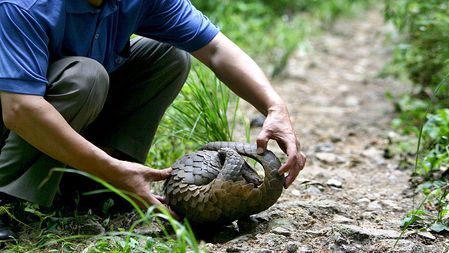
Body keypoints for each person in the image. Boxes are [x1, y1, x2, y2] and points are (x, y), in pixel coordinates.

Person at [0, 0, 307, 240]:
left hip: (65, 113)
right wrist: (112, 170)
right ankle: (6, 199)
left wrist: (273, 106)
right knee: (86, 77)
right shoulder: (24, 6)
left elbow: (215, 49)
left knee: (169, 55)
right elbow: (19, 109)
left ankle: (94, 188)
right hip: (12, 121)